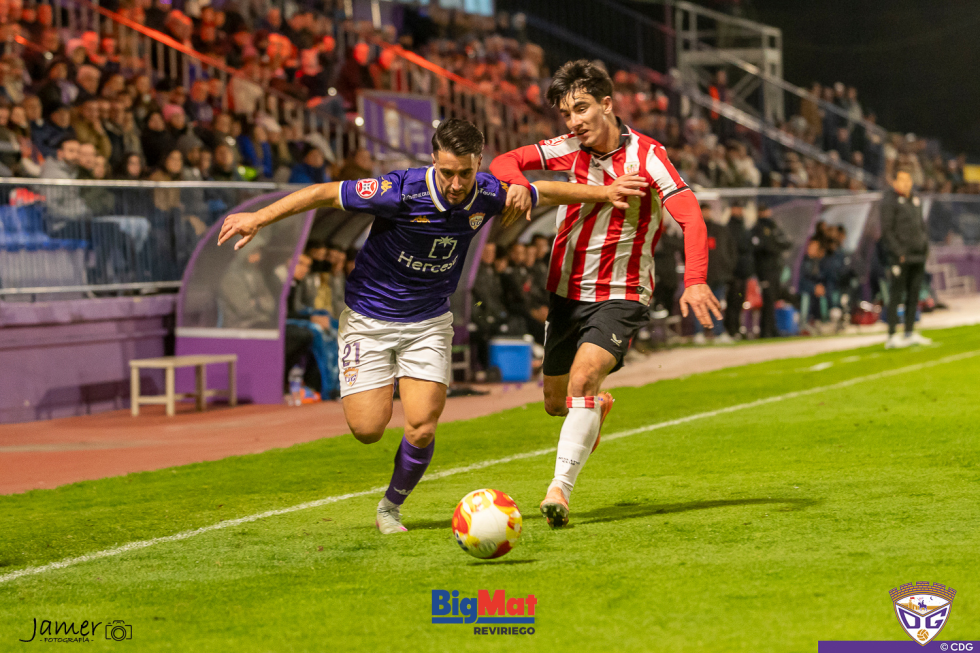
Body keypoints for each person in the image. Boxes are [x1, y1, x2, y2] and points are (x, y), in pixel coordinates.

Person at [219, 118, 645, 534]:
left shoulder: (487, 192)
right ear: (432, 161)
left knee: (421, 426)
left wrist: (604, 193)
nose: (457, 184)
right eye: (447, 173)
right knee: (368, 430)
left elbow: (545, 190)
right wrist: (259, 217)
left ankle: (390, 507)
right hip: (368, 320)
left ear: (479, 162)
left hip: (428, 323)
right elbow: (320, 193)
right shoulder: (397, 190)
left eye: (465, 172)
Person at [489, 59, 720, 528]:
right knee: (557, 402)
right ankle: (595, 407)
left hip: (622, 291)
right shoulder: (566, 148)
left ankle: (559, 491)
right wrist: (516, 184)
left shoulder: (649, 156)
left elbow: (691, 217)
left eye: (581, 108)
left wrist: (695, 278)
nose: (574, 121)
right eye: (566, 114)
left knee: (582, 382)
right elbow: (503, 161)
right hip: (566, 290)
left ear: (607, 104)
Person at [881, 170, 932, 349]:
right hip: (901, 257)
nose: (906, 183)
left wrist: (926, 246)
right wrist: (898, 252)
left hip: (917, 255)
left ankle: (909, 332)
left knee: (914, 294)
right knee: (896, 295)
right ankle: (892, 334)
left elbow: (921, 225)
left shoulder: (915, 199)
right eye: (902, 180)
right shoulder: (889, 201)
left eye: (908, 180)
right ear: (894, 182)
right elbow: (887, 230)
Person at [694, 203, 736, 344]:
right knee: (700, 305)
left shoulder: (720, 230)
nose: (706, 213)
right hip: (701, 275)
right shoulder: (694, 230)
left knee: (717, 304)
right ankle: (699, 333)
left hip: (719, 274)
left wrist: (728, 266)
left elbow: (731, 249)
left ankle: (718, 332)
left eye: (707, 210)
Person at [751, 203, 791, 339]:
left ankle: (772, 329)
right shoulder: (757, 228)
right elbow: (763, 247)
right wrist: (774, 246)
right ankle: (765, 331)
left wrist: (773, 246)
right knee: (767, 300)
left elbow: (786, 243)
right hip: (765, 270)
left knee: (772, 299)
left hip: (775, 269)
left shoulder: (773, 227)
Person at [724, 203, 754, 339]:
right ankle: (731, 329)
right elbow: (735, 248)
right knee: (733, 301)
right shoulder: (729, 228)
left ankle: (736, 328)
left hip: (743, 270)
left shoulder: (742, 226)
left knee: (739, 301)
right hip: (734, 272)